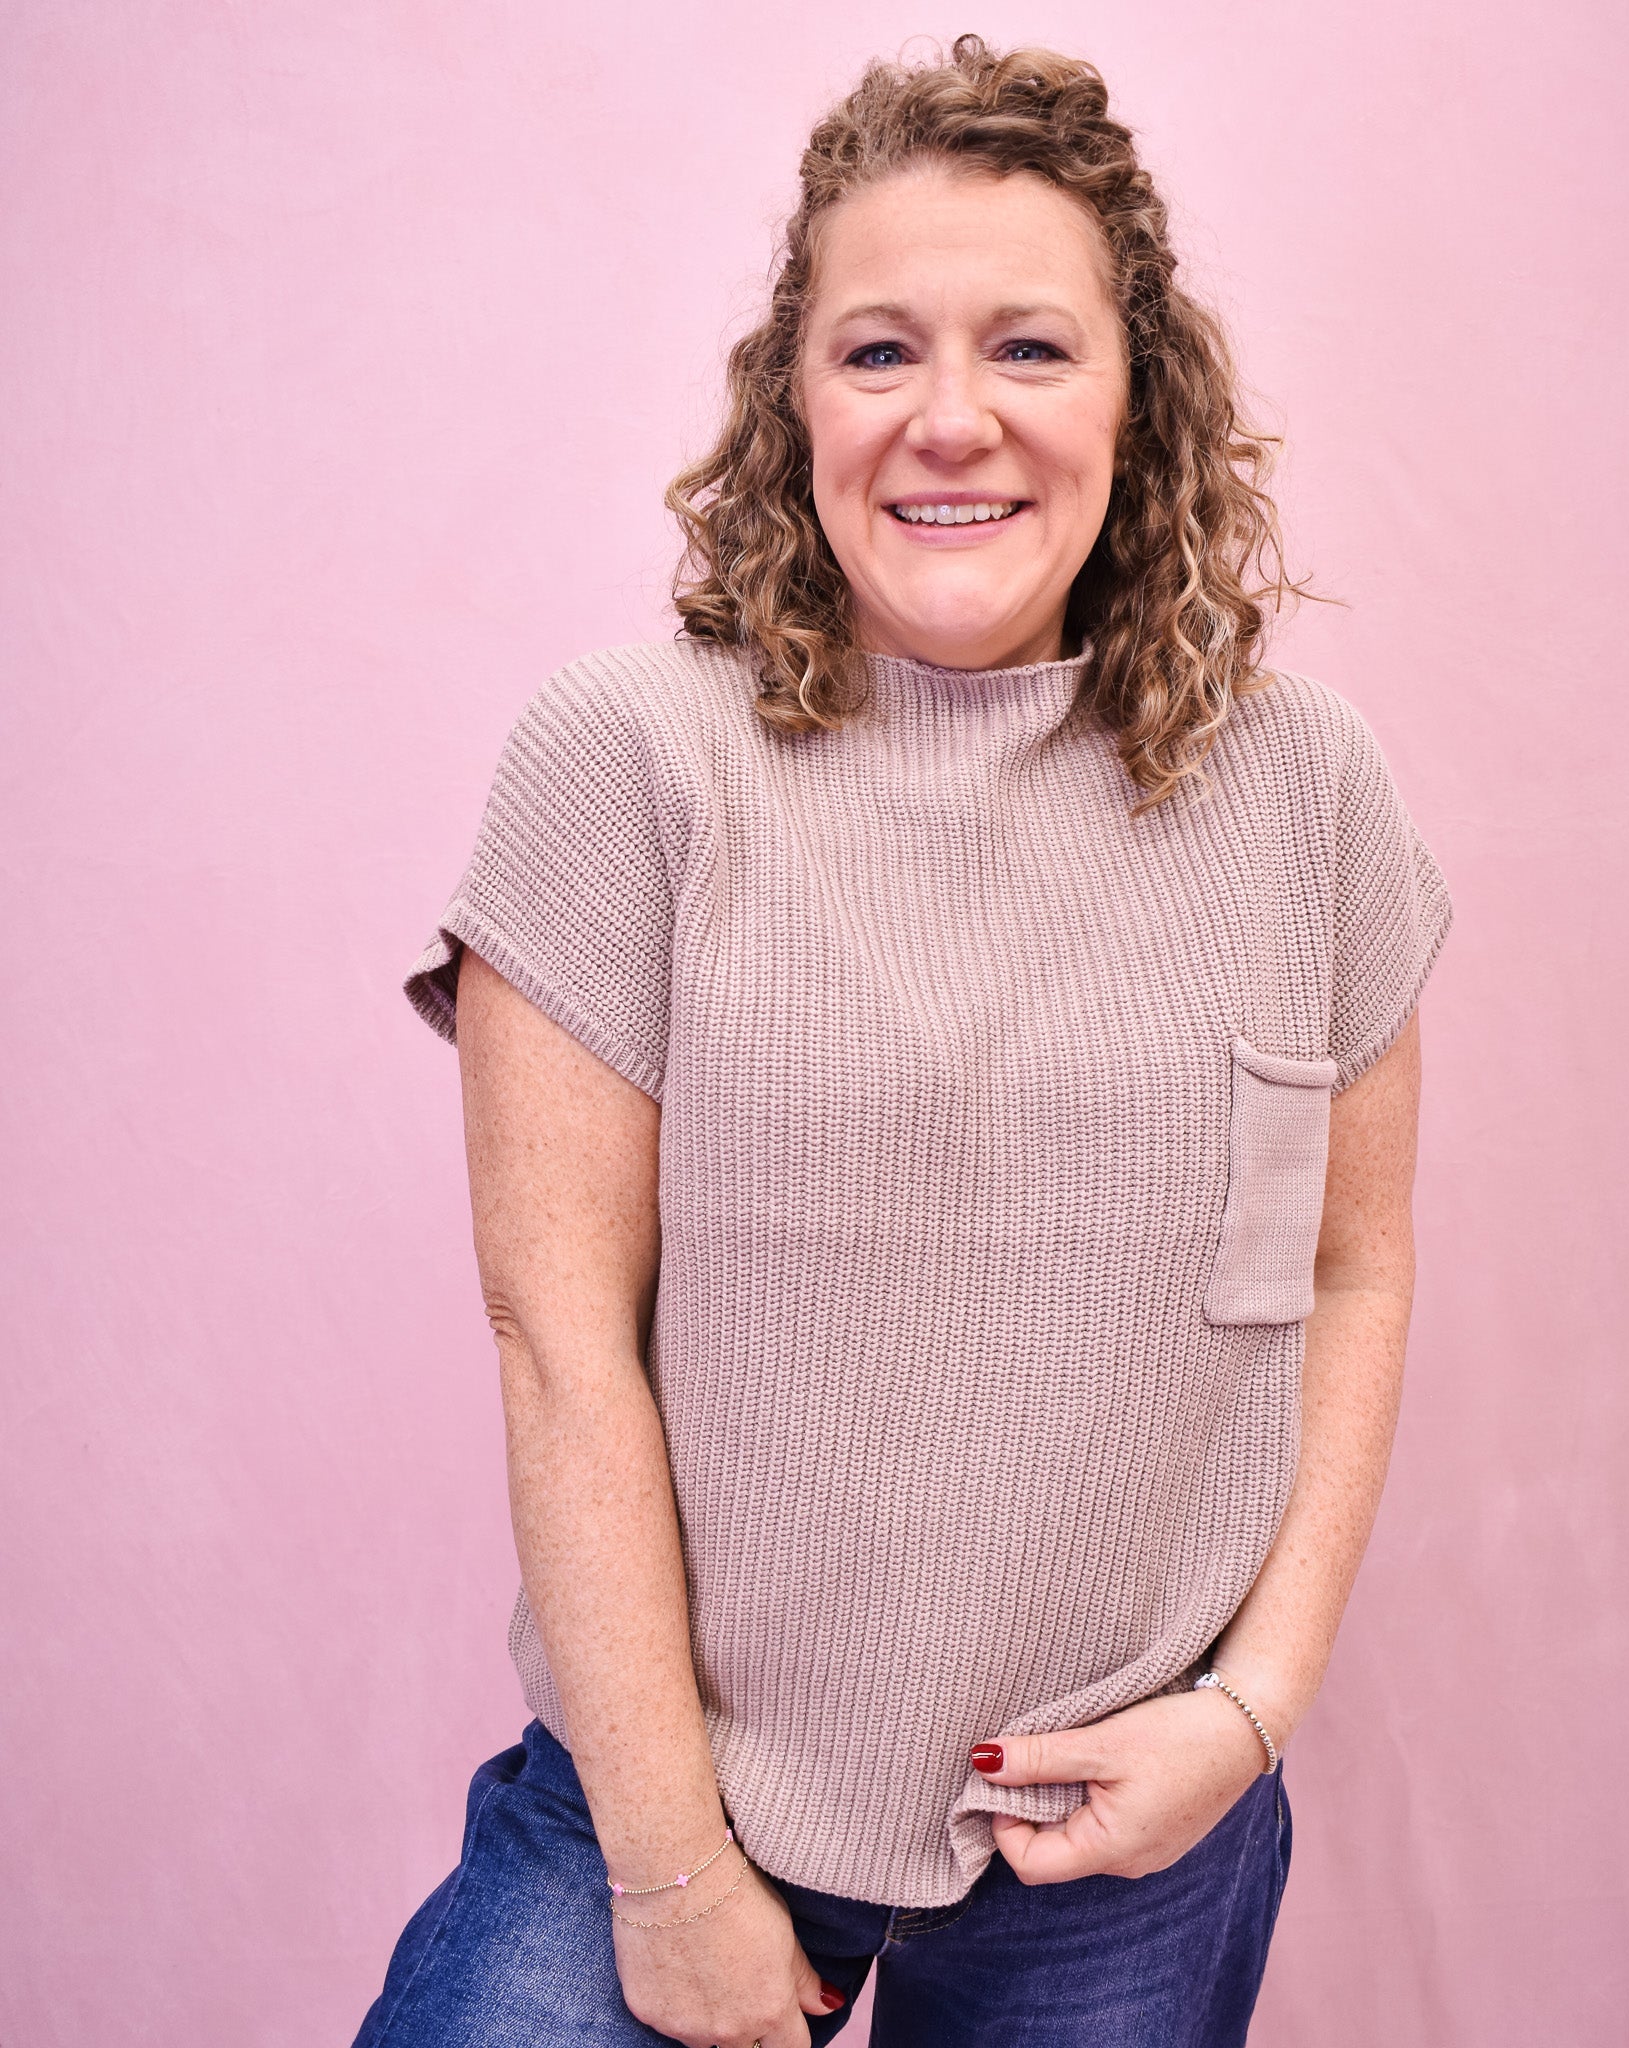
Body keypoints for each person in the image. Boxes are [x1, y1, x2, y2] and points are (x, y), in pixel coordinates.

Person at [353, 36, 1451, 2048]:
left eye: (1029, 346)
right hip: (675, 1791)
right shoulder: (626, 761)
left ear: (1143, 395)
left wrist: (1248, 1711)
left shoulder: (1312, 792)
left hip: (1125, 1840)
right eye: (878, 352)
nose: (953, 421)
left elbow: (1354, 1268)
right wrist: (674, 1872)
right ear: (794, 402)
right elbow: (558, 1337)